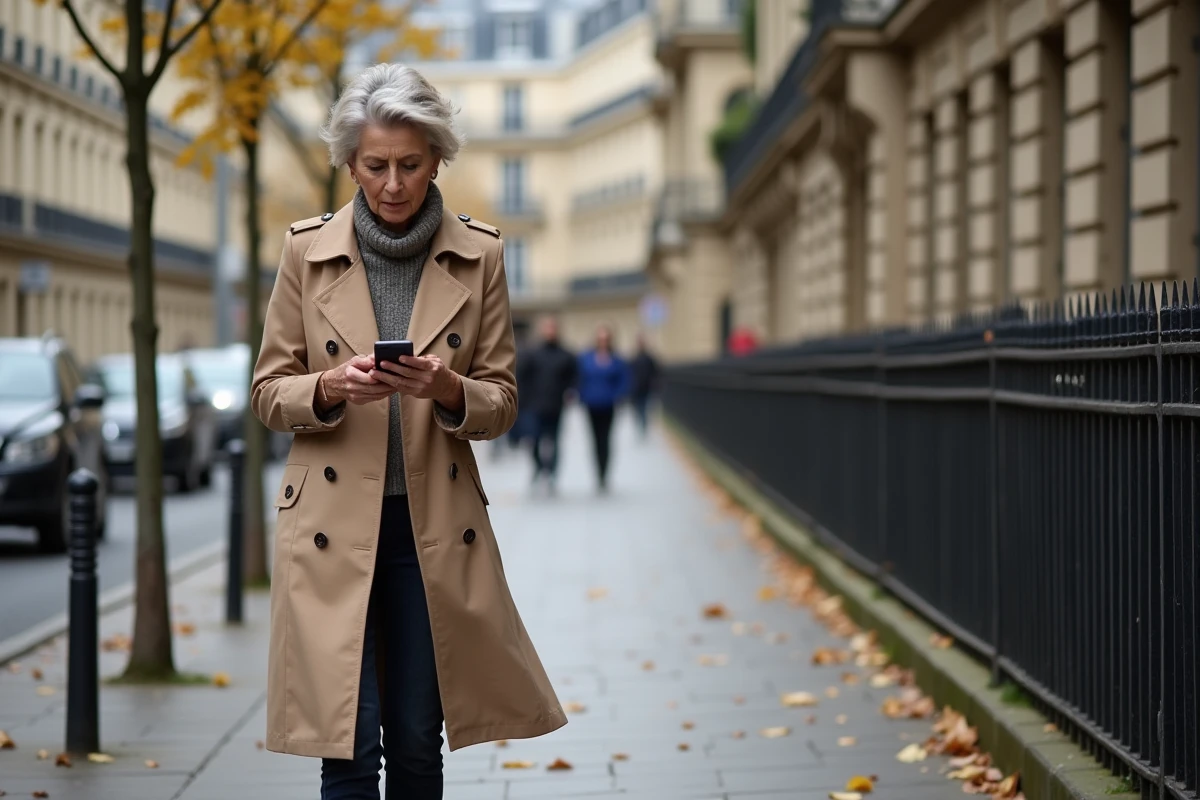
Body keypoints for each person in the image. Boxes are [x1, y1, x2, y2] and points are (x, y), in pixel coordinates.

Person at [250, 63, 565, 800]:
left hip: (432, 530)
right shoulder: (305, 251)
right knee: (349, 749)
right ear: (350, 164)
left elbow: (503, 401)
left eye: (410, 165)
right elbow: (267, 393)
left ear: (437, 158)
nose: (392, 184)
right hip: (330, 529)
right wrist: (329, 387)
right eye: (375, 166)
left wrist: (449, 388)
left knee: (420, 742)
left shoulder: (480, 253)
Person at [516, 316, 577, 491]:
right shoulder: (532, 354)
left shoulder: (566, 355)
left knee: (554, 441)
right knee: (533, 440)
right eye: (547, 328)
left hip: (556, 406)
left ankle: (552, 474)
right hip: (534, 406)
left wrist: (571, 392)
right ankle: (539, 467)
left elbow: (573, 378)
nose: (550, 331)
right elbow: (522, 377)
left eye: (553, 328)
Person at [576, 325, 630, 492]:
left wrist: (617, 395)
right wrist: (582, 395)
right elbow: (579, 379)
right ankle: (598, 472)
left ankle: (604, 474)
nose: (603, 342)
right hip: (591, 405)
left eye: (605, 339)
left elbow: (624, 380)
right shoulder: (586, 358)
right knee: (595, 439)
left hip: (608, 405)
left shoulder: (616, 359)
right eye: (600, 339)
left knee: (606, 439)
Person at [629, 334, 659, 438]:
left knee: (644, 409)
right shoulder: (634, 358)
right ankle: (640, 426)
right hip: (636, 389)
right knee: (637, 409)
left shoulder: (649, 358)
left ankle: (643, 426)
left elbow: (656, 372)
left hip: (646, 388)